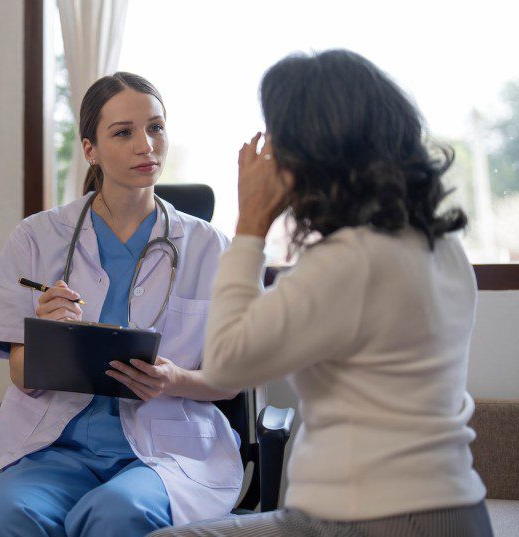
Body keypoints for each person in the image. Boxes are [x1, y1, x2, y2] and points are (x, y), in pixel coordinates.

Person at [151, 49, 492, 537]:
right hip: (447, 509)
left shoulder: (351, 261)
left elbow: (227, 363)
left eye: (280, 143)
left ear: (315, 153)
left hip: (381, 517)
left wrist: (250, 224)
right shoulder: (439, 247)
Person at [0, 72, 246, 537]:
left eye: (156, 127)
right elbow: (18, 369)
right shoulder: (37, 237)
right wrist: (46, 333)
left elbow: (230, 381)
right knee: (4, 518)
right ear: (89, 149)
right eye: (124, 132)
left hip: (164, 452)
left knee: (118, 513)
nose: (146, 145)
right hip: (55, 448)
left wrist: (174, 379)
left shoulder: (209, 246)